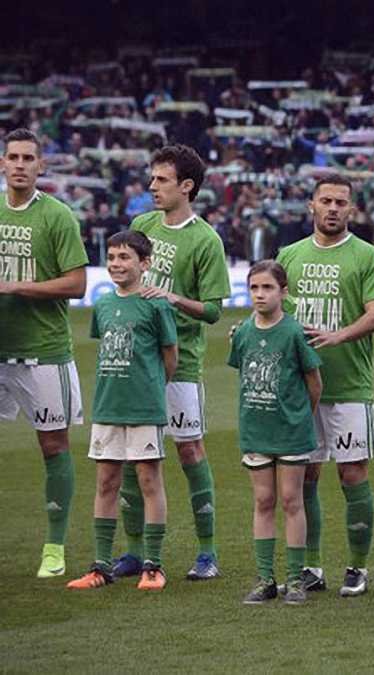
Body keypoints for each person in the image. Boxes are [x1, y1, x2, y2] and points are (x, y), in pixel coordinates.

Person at [116, 144, 231, 582]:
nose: (152, 186)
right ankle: (133, 551)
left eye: (161, 179)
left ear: (186, 186)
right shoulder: (142, 226)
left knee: (189, 449)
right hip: (136, 361)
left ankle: (207, 552)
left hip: (181, 362)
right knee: (134, 455)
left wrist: (172, 297)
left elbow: (214, 311)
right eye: (152, 178)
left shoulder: (205, 240)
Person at [277, 173, 374, 597]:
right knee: (305, 475)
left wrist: (338, 336)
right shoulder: (289, 255)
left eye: (340, 202)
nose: (332, 208)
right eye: (325, 201)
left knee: (352, 474)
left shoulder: (367, 256)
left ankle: (358, 567)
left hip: (349, 386)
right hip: (300, 389)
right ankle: (311, 566)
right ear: (311, 205)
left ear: (352, 209)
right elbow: (274, 310)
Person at [67, 230, 177, 591]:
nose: (116, 264)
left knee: (149, 481)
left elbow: (170, 357)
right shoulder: (102, 305)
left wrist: (150, 389)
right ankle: (101, 567)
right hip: (107, 406)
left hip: (144, 406)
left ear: (145, 264)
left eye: (125, 257)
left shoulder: (157, 305)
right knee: (105, 482)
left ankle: (153, 565)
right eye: (112, 257)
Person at [0, 128, 88, 579]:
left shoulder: (57, 216)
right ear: (2, 163)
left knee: (53, 444)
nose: (19, 164)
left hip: (44, 350)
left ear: (41, 166)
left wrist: (18, 286)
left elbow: (78, 284)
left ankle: (54, 547)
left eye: (27, 158)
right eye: (12, 157)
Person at [229, 261, 323, 606]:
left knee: (291, 500)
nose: (260, 294)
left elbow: (315, 383)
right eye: (254, 287)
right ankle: (265, 579)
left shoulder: (295, 332)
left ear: (283, 292)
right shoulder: (242, 333)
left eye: (267, 288)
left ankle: (295, 579)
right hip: (256, 430)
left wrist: (300, 418)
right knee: (263, 500)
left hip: (291, 431)